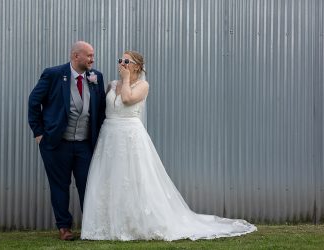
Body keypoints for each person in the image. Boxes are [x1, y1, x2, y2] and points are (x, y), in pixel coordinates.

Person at [81, 51, 256, 241]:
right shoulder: (111, 85)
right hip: (109, 136)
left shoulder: (143, 85)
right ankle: (107, 224)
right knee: (109, 178)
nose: (122, 64)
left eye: (126, 61)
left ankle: (134, 223)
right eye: (120, 60)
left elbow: (127, 99)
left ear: (137, 66)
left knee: (132, 178)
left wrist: (125, 78)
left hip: (130, 136)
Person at [28, 41, 106, 240]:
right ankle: (64, 228)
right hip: (56, 144)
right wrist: (39, 133)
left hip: (85, 144)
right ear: (75, 56)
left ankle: (91, 226)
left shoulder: (96, 77)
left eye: (93, 55)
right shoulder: (53, 74)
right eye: (89, 55)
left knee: (87, 185)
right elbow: (33, 102)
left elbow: (100, 110)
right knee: (59, 186)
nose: (92, 59)